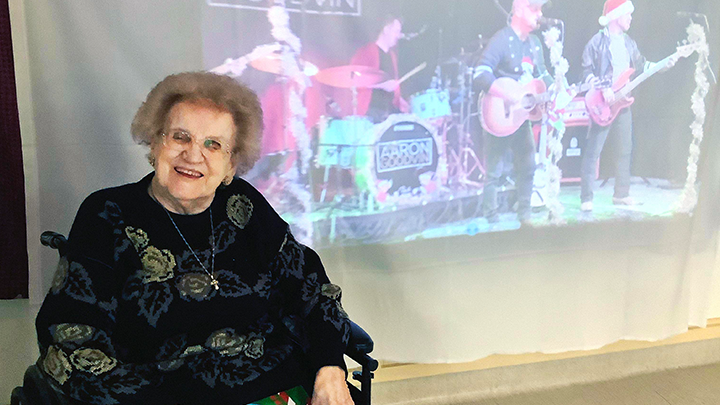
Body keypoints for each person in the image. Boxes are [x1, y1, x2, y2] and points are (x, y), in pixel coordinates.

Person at [34, 72, 354, 405]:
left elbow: (312, 288)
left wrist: (330, 367)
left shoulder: (243, 207)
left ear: (231, 163)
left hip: (273, 388)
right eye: (180, 137)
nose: (193, 154)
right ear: (156, 144)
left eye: (213, 144)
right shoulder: (107, 215)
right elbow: (73, 338)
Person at [579, 0, 676, 211]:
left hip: (623, 104)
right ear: (616, 16)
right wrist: (602, 88)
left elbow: (642, 66)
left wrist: (663, 65)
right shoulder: (596, 43)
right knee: (593, 152)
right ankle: (586, 198)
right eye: (628, 14)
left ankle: (621, 194)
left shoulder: (629, 43)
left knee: (625, 149)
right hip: (602, 104)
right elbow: (586, 73)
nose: (631, 18)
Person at [474, 0, 552, 224]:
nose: (539, 14)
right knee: (494, 171)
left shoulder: (536, 43)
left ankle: (525, 215)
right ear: (518, 9)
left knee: (528, 165)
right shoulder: (502, 39)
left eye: (540, 9)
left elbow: (543, 74)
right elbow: (480, 74)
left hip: (522, 117)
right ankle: (491, 218)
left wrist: (556, 87)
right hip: (499, 114)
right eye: (534, 8)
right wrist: (511, 96)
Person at [349, 14, 410, 123]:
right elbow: (355, 80)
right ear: (386, 29)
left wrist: (400, 101)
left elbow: (391, 88)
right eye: (396, 31)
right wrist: (383, 85)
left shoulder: (392, 56)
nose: (398, 35)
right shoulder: (366, 52)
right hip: (370, 113)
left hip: (388, 114)